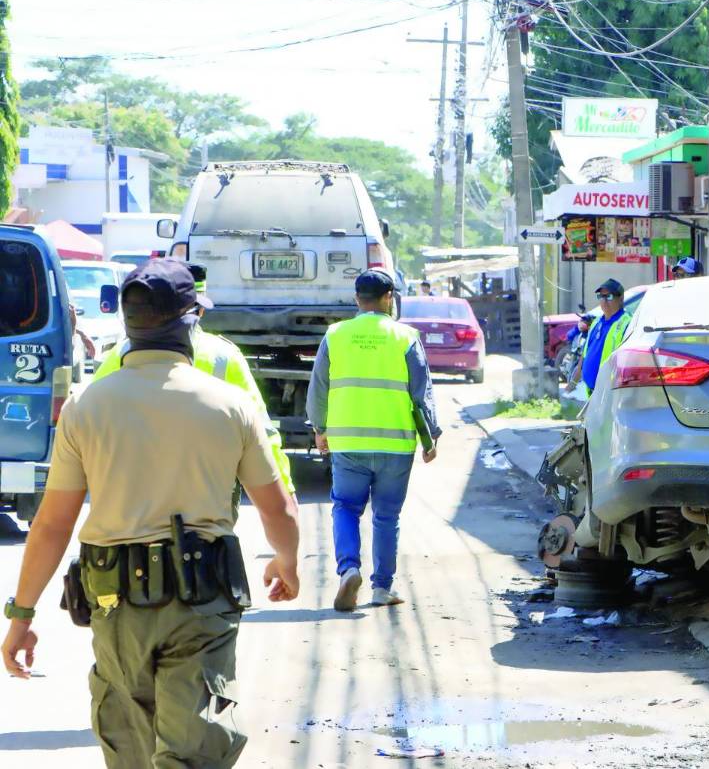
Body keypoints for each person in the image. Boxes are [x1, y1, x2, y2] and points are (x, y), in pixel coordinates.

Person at [2, 258, 300, 767]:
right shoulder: (231, 405)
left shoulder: (86, 407)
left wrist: (22, 616)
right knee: (194, 752)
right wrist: (286, 562)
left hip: (116, 607)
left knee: (131, 751)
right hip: (201, 604)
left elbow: (52, 525)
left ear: (129, 324)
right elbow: (278, 509)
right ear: (189, 322)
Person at [93, 263, 296, 501]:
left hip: (133, 490)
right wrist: (286, 490)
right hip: (209, 493)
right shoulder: (224, 356)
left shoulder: (120, 354)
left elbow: (92, 422)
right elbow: (262, 431)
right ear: (198, 312)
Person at [306, 270, 441, 611]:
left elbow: (318, 387)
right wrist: (430, 437)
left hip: (348, 443)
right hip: (395, 445)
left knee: (346, 508)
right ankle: (382, 588)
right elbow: (421, 392)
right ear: (388, 298)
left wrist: (320, 429)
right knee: (386, 516)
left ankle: (349, 569)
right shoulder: (405, 336)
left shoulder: (336, 335)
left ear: (356, 299)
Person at [578, 279, 632, 395]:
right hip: (592, 392)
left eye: (609, 296)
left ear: (621, 298)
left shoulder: (626, 323)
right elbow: (585, 353)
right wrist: (573, 381)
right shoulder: (596, 322)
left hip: (610, 392)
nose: (604, 301)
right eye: (601, 296)